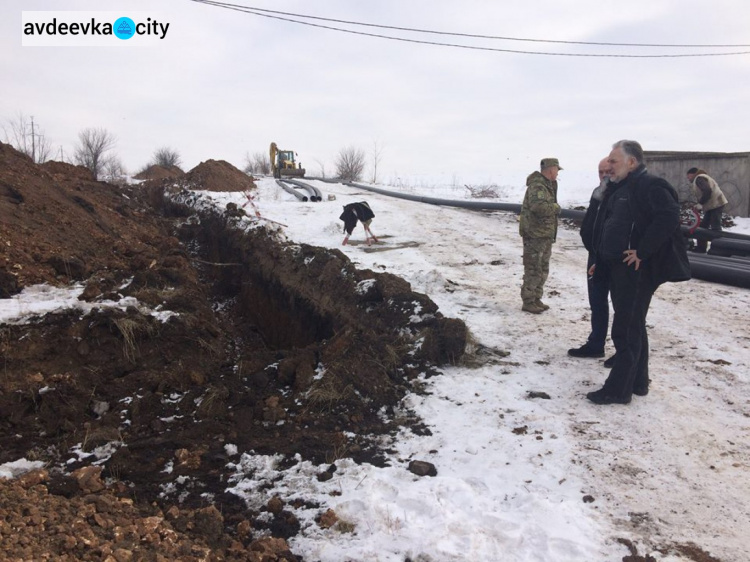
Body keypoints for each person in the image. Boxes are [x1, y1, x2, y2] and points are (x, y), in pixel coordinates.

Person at [586, 140, 691, 405]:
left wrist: (642, 251)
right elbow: (611, 227)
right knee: (633, 325)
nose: (608, 166)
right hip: (618, 267)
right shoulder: (621, 189)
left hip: (637, 270)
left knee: (625, 329)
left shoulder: (650, 185)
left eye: (613, 161)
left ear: (632, 162)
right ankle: (638, 381)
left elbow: (668, 217)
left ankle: (618, 390)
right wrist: (602, 259)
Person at [568, 158, 616, 366]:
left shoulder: (624, 194)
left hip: (615, 259)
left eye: (608, 171)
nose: (604, 175)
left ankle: (624, 352)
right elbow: (590, 222)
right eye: (600, 171)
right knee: (597, 301)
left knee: (623, 307)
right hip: (595, 255)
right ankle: (596, 343)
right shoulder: (598, 193)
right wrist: (590, 244)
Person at [519, 158, 562, 314]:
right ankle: (528, 301)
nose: (558, 173)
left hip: (544, 234)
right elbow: (538, 206)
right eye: (557, 169)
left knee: (543, 268)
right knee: (533, 268)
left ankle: (536, 298)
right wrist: (556, 207)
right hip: (535, 234)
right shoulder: (538, 185)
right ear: (551, 169)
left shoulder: (547, 185)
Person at [686, 167, 728, 253]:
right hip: (713, 205)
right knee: (703, 227)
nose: (688, 178)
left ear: (693, 174)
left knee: (715, 228)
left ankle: (719, 249)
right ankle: (701, 248)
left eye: (689, 176)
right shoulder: (702, 178)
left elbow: (707, 190)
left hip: (715, 204)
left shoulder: (699, 178)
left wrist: (701, 203)